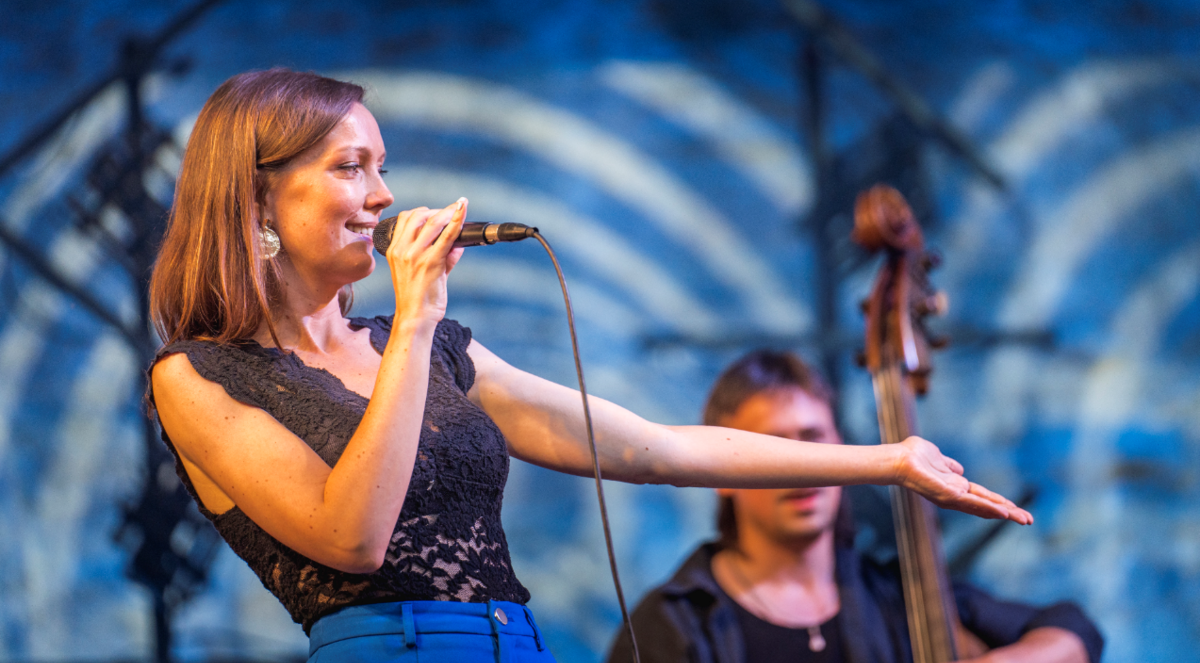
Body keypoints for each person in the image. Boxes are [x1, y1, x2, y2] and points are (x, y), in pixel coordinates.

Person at [146, 68, 1032, 663]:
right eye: (351, 168)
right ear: (259, 195)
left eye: (384, 167)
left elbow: (651, 449)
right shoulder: (199, 377)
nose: (382, 196)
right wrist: (416, 321)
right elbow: (352, 537)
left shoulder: (422, 347)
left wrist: (888, 462)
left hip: (519, 641)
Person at [606, 350, 1103, 663]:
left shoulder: (897, 598)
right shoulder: (673, 622)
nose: (803, 467)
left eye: (813, 441)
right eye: (774, 449)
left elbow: (1076, 631)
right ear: (722, 474)